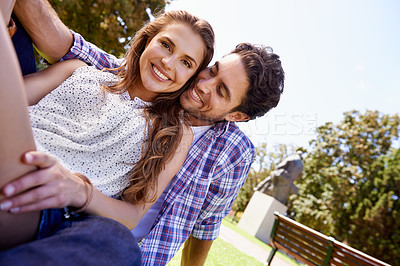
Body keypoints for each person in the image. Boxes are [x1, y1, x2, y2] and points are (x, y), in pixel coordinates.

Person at [2, 1, 285, 265]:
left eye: (187, 63)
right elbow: (69, 50)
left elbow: (204, 225)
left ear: (236, 115)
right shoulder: (90, 70)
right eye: (212, 71)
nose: (204, 85)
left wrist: (80, 191)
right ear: (148, 39)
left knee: (119, 244)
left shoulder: (188, 139)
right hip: (15, 146)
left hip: (77, 215)